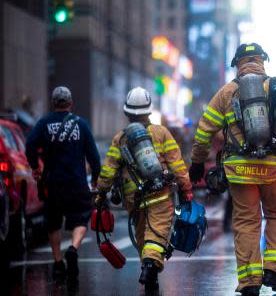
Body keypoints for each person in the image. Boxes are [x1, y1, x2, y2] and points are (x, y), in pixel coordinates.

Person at [190, 43, 276, 296]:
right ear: (262, 60)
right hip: (275, 167)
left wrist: (197, 162)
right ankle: (275, 270)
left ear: (237, 63)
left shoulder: (227, 93)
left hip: (241, 169)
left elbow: (204, 130)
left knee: (247, 222)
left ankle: (249, 282)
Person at [96, 87, 193, 291]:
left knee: (142, 236)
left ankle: (149, 270)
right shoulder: (161, 133)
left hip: (134, 197)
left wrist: (101, 192)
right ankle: (149, 266)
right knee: (156, 234)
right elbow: (177, 164)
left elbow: (109, 169)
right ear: (149, 111)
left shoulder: (120, 137)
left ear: (127, 112)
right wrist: (186, 188)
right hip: (159, 193)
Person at [25, 86, 101, 282]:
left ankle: (58, 263)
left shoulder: (43, 123)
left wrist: (35, 167)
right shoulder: (81, 125)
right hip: (76, 182)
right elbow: (93, 155)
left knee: (53, 223)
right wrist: (95, 178)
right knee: (82, 218)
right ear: (71, 103)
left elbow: (30, 145)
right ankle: (73, 248)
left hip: (52, 183)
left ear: (53, 103)